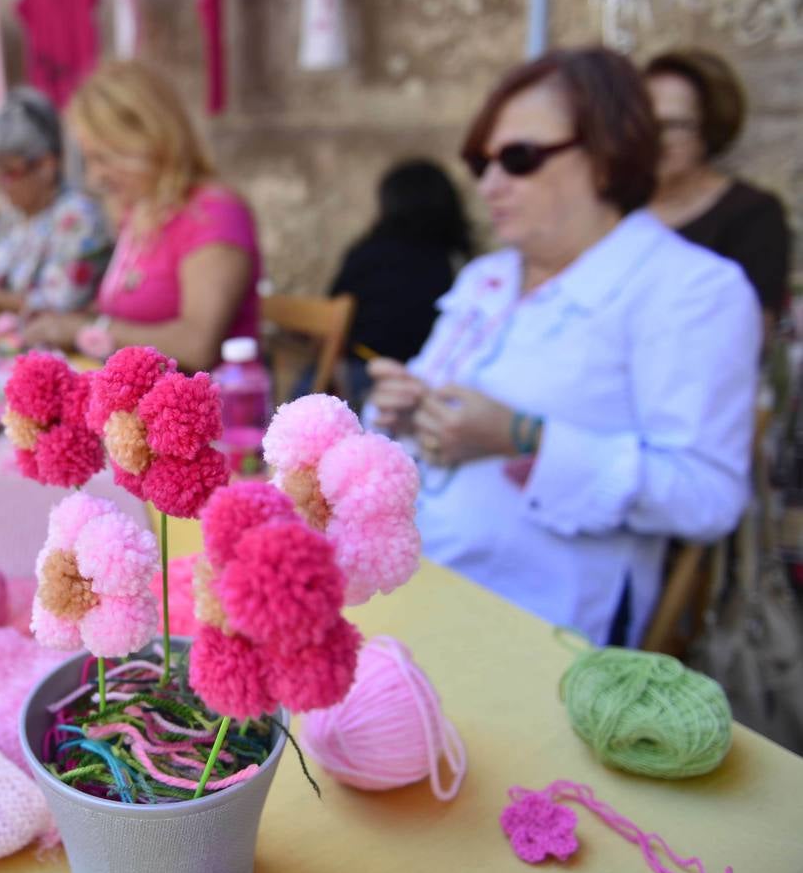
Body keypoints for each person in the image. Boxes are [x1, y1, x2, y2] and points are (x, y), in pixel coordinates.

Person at [365, 48, 760, 646]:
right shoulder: (487, 278)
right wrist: (398, 407)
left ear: (606, 156)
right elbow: (417, 411)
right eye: (481, 162)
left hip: (536, 625)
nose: (491, 183)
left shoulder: (690, 290)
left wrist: (523, 437)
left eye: (518, 158)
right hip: (409, 582)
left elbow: (706, 498)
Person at [23, 61, 262, 373]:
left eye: (103, 158)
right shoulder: (142, 212)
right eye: (89, 160)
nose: (95, 178)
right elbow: (127, 312)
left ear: (148, 141)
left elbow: (198, 345)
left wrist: (88, 331)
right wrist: (62, 320)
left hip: (205, 415)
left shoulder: (214, 214)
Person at [645, 49, 792, 329]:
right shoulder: (615, 207)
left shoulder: (753, 215)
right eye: (646, 124)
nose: (655, 139)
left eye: (672, 125)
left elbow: (753, 329)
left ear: (709, 129)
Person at [0, 87, 110, 314]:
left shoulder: (79, 217)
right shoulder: (19, 215)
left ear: (47, 166)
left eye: (9, 172)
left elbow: (56, 306)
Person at [328, 159, 472, 406]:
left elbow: (334, 305)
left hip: (356, 368)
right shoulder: (451, 261)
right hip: (420, 379)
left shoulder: (367, 250)